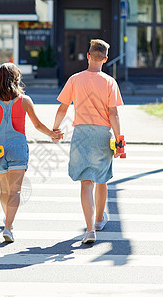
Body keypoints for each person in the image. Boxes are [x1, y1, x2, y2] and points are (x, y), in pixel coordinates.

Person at [52, 39, 123, 244]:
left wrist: (55, 129)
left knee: (86, 182)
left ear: (88, 55)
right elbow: (114, 113)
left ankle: (89, 229)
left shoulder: (75, 79)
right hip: (102, 135)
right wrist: (119, 139)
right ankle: (100, 219)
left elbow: (63, 108)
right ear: (106, 59)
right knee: (102, 179)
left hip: (81, 134)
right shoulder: (110, 82)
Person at [0, 63, 63, 243]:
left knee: (4, 189)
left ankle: (7, 220)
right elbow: (37, 124)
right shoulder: (25, 100)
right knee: (15, 191)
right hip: (18, 149)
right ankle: (8, 227)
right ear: (16, 79)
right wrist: (52, 134)